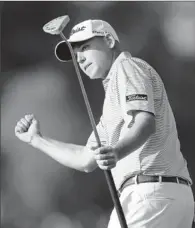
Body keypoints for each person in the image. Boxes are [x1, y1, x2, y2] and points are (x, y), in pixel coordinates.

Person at [15, 19, 194, 228]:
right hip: (165, 196)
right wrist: (37, 140)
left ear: (109, 40)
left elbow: (144, 122)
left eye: (85, 47)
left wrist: (116, 152)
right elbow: (85, 160)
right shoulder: (112, 105)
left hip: (149, 193)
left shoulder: (127, 67)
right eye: (75, 54)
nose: (80, 59)